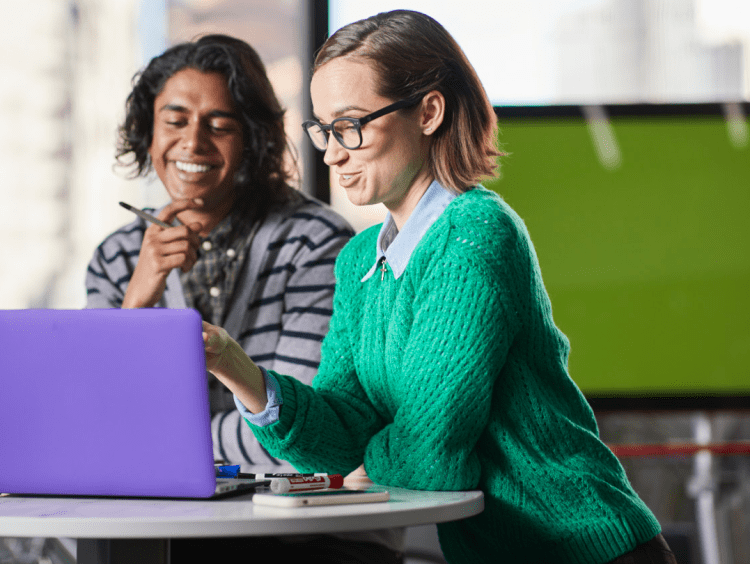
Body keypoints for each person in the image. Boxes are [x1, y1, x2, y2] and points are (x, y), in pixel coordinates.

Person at [200, 12, 679, 564]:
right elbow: (341, 433)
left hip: (587, 548)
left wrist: (360, 472)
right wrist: (235, 366)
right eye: (324, 129)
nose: (332, 153)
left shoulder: (474, 235)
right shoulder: (362, 259)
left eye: (351, 125)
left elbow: (432, 454)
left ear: (428, 111)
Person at [85, 34, 405, 563]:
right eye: (175, 120)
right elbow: (93, 427)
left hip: (314, 533)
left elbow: (293, 437)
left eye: (220, 124)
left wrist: (152, 449)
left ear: (252, 139)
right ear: (147, 133)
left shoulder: (315, 243)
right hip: (178, 528)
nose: (193, 142)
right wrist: (136, 303)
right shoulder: (118, 258)